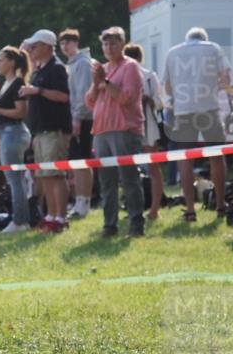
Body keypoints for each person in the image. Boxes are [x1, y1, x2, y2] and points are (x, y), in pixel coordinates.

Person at [162, 26, 231, 222]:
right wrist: (214, 88)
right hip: (208, 108)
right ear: (204, 37)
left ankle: (190, 210)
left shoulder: (173, 52)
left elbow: (167, 87)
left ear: (187, 38)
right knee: (216, 156)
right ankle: (220, 205)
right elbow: (226, 78)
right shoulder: (214, 48)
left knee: (185, 159)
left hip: (184, 111)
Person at [85, 27, 145, 237]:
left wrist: (106, 82)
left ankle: (136, 223)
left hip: (124, 129)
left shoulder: (130, 67)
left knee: (129, 178)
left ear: (122, 44)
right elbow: (90, 101)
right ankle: (109, 225)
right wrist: (96, 83)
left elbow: (127, 98)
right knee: (106, 182)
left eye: (113, 43)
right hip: (101, 130)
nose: (109, 48)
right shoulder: (102, 68)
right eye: (105, 44)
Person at [19, 30, 72, 233]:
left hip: (55, 129)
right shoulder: (39, 70)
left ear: (48, 46)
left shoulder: (57, 69)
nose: (31, 50)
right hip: (41, 131)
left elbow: (63, 97)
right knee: (45, 176)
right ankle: (50, 214)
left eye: (35, 46)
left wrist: (38, 91)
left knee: (56, 174)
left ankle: (60, 217)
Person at [0, 47, 32, 233]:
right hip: (6, 133)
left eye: (1, 60)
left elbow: (21, 112)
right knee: (16, 180)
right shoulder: (6, 84)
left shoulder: (18, 83)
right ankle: (21, 219)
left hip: (14, 133)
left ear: (12, 62)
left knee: (15, 180)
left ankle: (20, 221)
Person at [124, 43, 166, 220]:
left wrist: (147, 99)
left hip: (147, 125)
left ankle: (155, 208)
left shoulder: (149, 76)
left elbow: (160, 102)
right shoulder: (121, 74)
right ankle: (134, 208)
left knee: (153, 167)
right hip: (127, 125)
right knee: (129, 169)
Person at [59, 29, 95, 218]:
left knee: (82, 160)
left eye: (68, 42)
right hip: (73, 116)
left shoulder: (82, 63)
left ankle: (84, 201)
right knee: (76, 162)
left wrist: (77, 118)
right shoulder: (70, 64)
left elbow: (82, 94)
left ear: (76, 43)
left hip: (82, 118)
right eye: (62, 43)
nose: (65, 46)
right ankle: (80, 200)